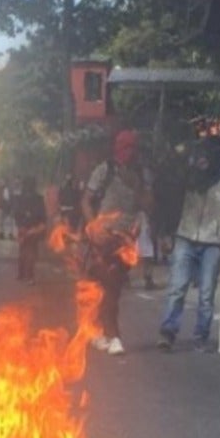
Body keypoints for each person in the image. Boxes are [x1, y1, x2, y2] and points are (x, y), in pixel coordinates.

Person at [157, 136, 220, 354]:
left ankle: (200, 336)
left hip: (213, 241)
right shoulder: (188, 176)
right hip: (185, 236)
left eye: (207, 156)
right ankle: (168, 332)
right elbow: (171, 201)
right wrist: (166, 232)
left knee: (206, 293)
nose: (203, 160)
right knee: (177, 287)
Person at [81, 129, 151, 356]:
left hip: (126, 240)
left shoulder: (141, 173)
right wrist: (94, 226)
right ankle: (112, 335)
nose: (129, 153)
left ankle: (102, 332)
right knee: (106, 286)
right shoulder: (105, 170)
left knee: (112, 287)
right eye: (125, 148)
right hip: (103, 238)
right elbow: (86, 201)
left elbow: (148, 205)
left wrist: (138, 191)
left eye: (133, 148)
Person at [13, 174, 48, 285]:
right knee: (31, 251)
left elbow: (16, 214)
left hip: (23, 227)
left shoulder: (19, 198)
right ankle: (29, 276)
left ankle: (21, 274)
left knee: (23, 250)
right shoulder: (39, 198)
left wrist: (20, 226)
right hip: (34, 228)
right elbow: (42, 215)